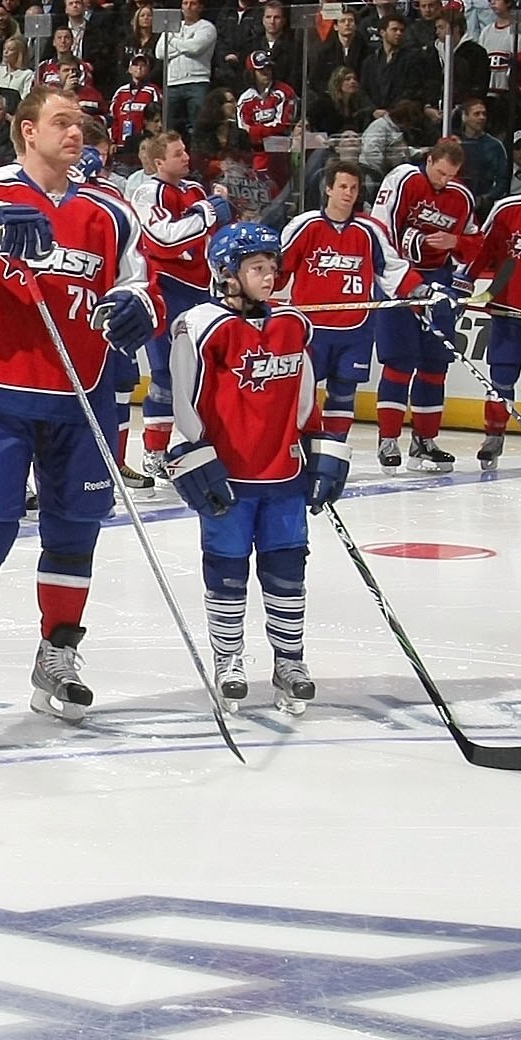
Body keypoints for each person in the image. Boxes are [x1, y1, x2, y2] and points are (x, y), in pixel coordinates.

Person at [0, 86, 150, 722]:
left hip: (85, 394)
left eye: (82, 124)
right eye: (61, 122)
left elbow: (137, 286)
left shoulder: (111, 209)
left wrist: (137, 310)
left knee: (74, 536)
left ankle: (58, 655)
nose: (76, 133)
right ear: (26, 130)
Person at [162, 219, 353, 711]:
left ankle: (289, 660)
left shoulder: (293, 324)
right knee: (226, 573)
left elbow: (305, 394)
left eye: (272, 267)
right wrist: (189, 450)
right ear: (229, 272)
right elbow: (184, 399)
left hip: (283, 477)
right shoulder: (202, 327)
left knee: (287, 570)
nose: (269, 277)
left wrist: (319, 444)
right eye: (257, 268)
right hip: (228, 479)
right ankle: (228, 659)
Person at [112, 127, 221, 482]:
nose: (186, 157)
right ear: (159, 162)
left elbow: (204, 239)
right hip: (166, 291)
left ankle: (201, 444)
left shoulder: (193, 190)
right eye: (178, 154)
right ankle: (153, 454)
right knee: (164, 375)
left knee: (200, 373)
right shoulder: (148, 191)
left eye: (185, 151)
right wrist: (205, 213)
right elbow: (163, 240)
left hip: (200, 292)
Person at [366, 136, 477, 467]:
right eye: (440, 172)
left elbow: (473, 243)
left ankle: (425, 441)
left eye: (450, 175)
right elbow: (380, 230)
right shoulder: (403, 178)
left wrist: (456, 246)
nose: (444, 181)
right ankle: (388, 441)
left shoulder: (462, 197)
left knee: (435, 364)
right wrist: (406, 282)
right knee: (399, 363)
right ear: (429, 159)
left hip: (438, 282)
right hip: (398, 281)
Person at [276, 163, 398, 446]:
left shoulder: (369, 231)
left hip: (355, 329)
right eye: (343, 186)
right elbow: (278, 271)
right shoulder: (305, 226)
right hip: (311, 330)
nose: (349, 193)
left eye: (354, 188)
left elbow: (393, 269)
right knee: (300, 392)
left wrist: (422, 290)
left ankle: (334, 449)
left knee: (344, 392)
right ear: (328, 189)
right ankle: (298, 446)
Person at [465, 154, 521, 465]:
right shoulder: (508, 208)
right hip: (506, 310)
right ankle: (493, 435)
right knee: (500, 379)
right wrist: (464, 283)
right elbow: (483, 248)